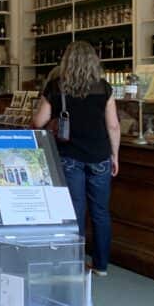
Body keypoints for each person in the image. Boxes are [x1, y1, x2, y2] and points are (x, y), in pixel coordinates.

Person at [31, 41, 120, 275]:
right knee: (100, 211)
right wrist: (115, 155)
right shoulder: (104, 88)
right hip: (100, 156)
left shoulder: (56, 87)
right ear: (94, 61)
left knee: (75, 210)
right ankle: (101, 266)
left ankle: (75, 262)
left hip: (69, 155)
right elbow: (113, 126)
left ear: (66, 62)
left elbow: (38, 122)